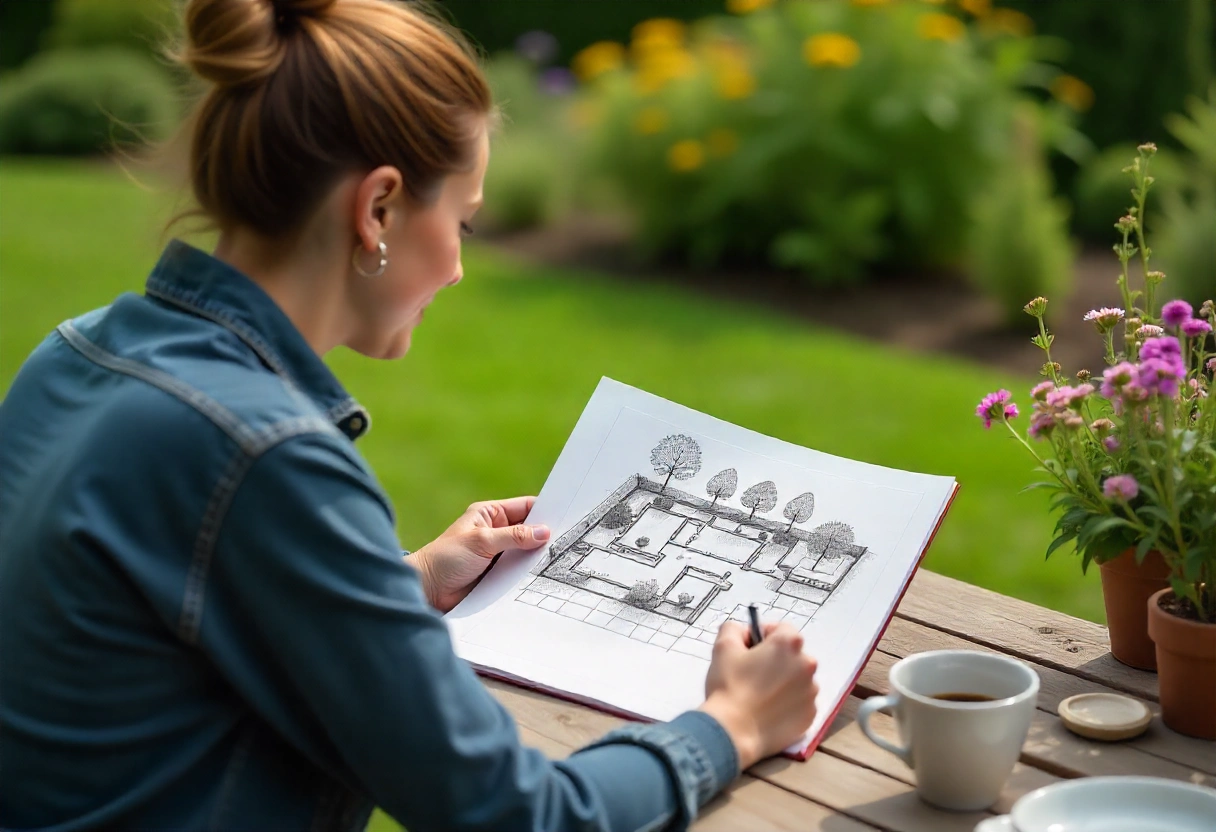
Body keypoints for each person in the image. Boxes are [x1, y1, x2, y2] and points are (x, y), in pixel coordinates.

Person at [0, 0, 820, 829]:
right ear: (378, 209)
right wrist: (732, 725)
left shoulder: (73, 355)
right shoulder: (264, 455)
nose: (461, 267)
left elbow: (169, 620)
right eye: (462, 221)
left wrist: (407, 580)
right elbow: (516, 815)